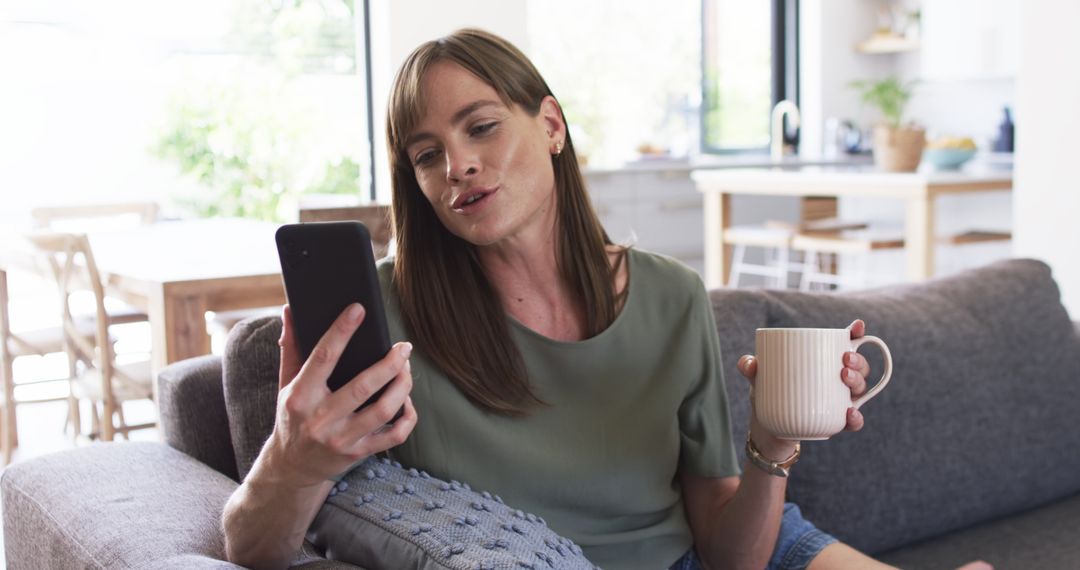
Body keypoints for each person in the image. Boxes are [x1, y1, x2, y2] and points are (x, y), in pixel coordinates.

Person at [222, 28, 990, 570]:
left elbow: (730, 553)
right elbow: (250, 547)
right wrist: (293, 461)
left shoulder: (672, 297)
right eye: (427, 156)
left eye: (481, 127)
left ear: (551, 125)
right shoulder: (382, 319)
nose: (457, 165)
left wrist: (773, 442)